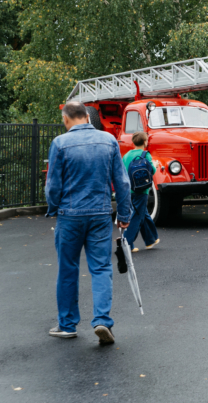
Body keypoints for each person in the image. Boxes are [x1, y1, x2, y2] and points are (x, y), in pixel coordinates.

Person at [45, 102, 132, 344]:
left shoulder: (60, 144)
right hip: (101, 214)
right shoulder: (108, 140)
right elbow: (122, 183)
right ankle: (102, 321)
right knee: (101, 268)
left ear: (66, 120)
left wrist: (54, 208)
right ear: (87, 117)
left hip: (70, 215)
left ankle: (67, 325)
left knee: (68, 269)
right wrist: (124, 215)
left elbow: (53, 186)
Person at [122, 132, 160, 253]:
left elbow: (122, 171)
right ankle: (127, 243)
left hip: (129, 189)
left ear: (133, 142)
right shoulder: (145, 154)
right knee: (137, 216)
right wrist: (155, 165)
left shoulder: (126, 155)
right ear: (145, 142)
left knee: (142, 213)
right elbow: (151, 171)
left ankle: (150, 240)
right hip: (142, 189)